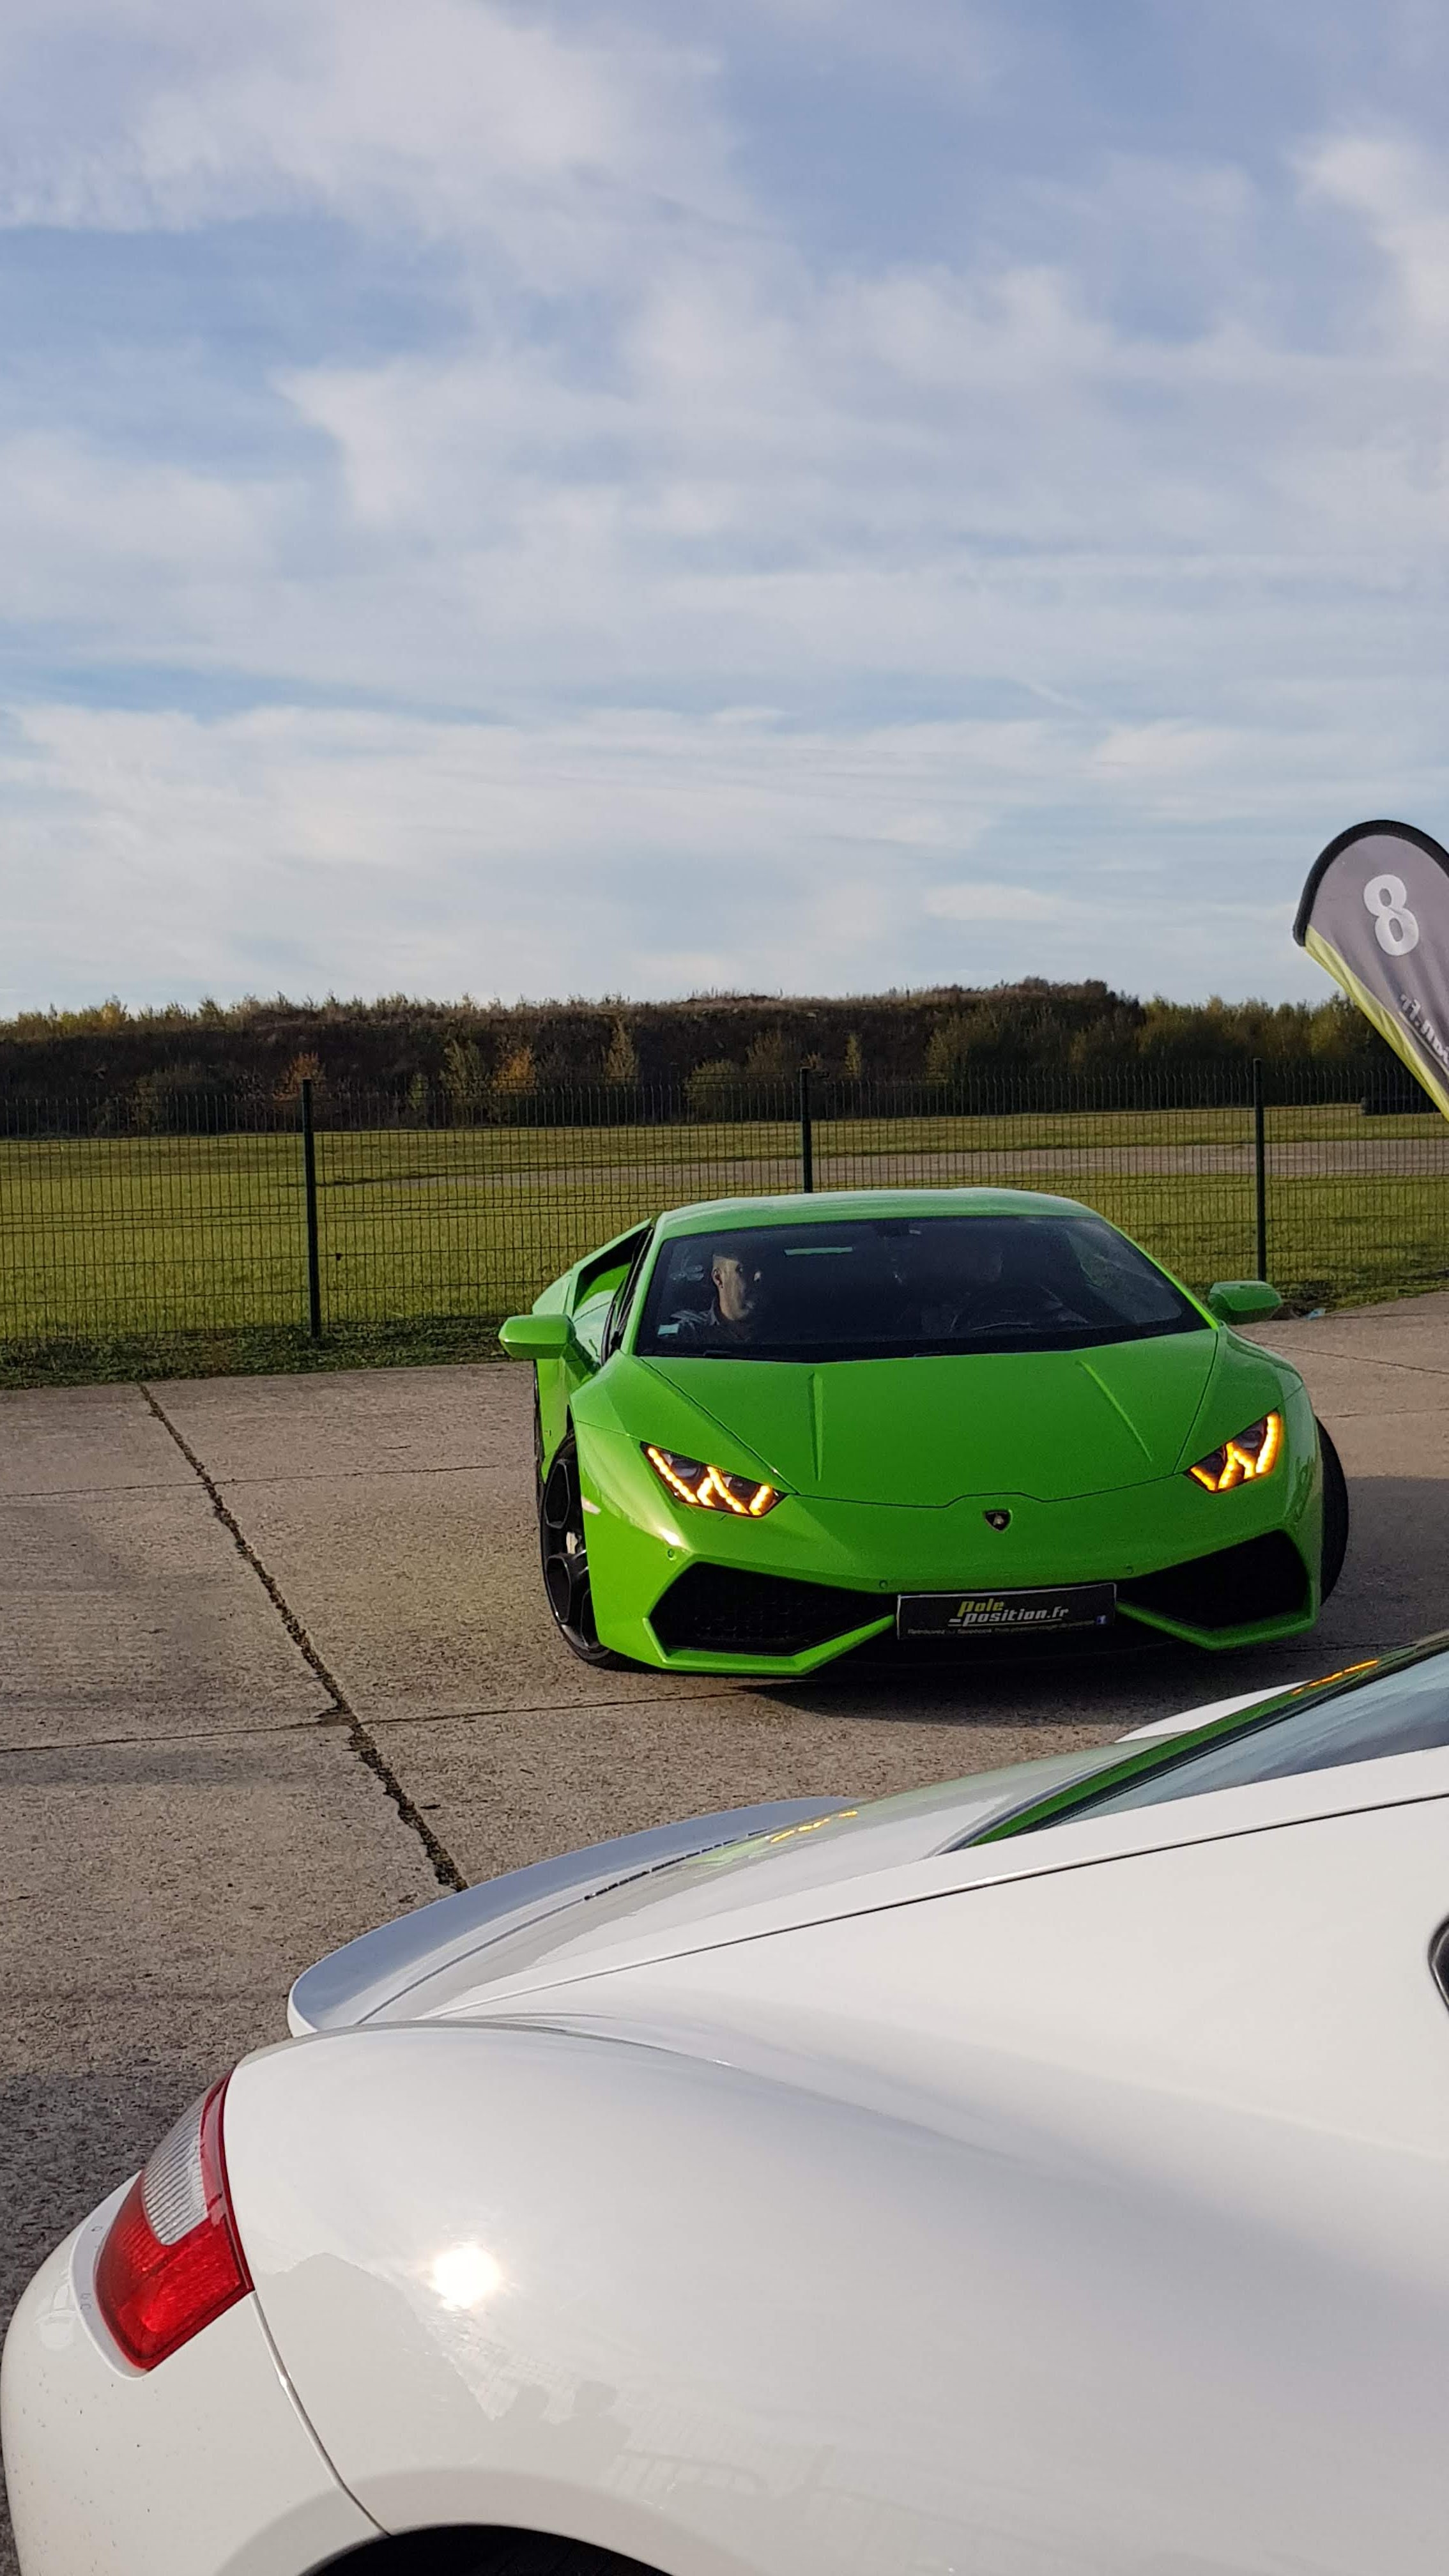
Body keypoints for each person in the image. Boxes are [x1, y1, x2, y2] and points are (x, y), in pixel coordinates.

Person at [668, 1246, 770, 1346]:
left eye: (762, 1269)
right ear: (719, 1278)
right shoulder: (691, 1333)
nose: (759, 1276)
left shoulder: (776, 1329)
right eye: (744, 1269)